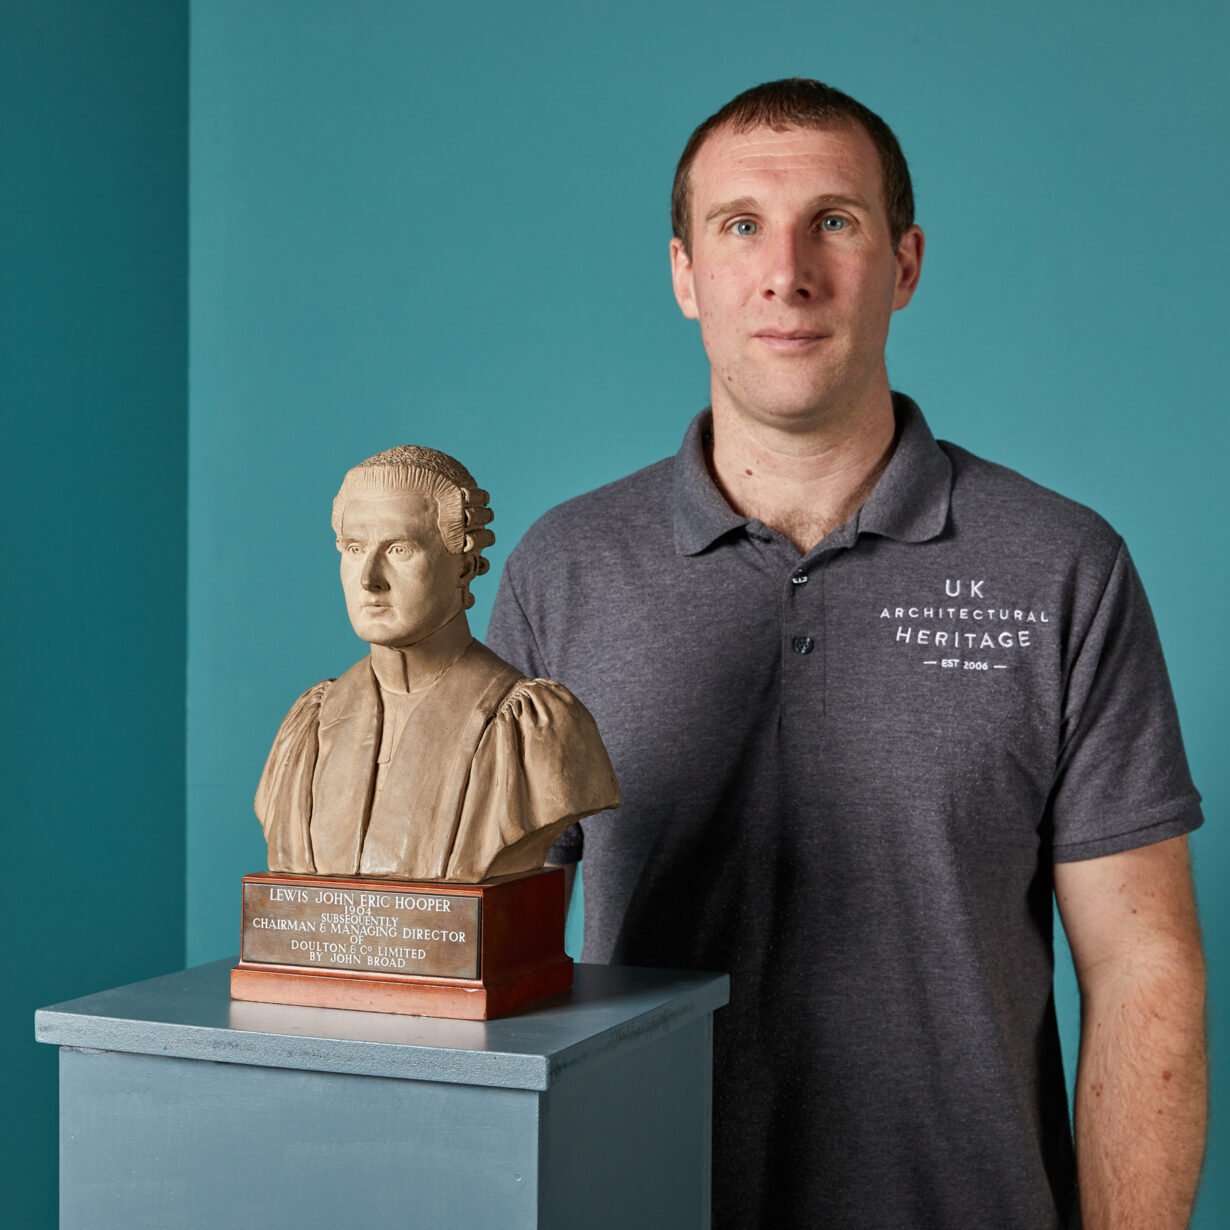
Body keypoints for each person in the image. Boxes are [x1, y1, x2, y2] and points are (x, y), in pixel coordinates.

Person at [487, 79, 1207, 1229]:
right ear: (685, 274)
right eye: (740, 226)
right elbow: (488, 965)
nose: (788, 272)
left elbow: (1141, 967)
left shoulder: (1063, 567)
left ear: (904, 264)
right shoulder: (565, 569)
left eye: (834, 220)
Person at [256, 444, 619, 882]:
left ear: (464, 567)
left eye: (399, 549)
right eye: (354, 548)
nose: (369, 579)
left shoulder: (536, 728)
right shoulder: (308, 727)